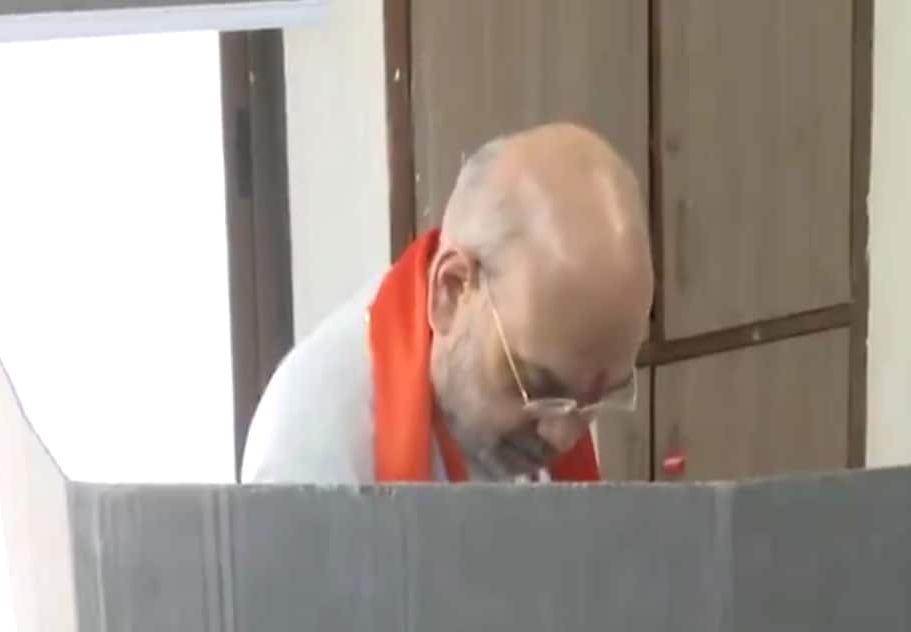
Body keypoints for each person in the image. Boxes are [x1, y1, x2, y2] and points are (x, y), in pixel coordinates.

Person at [240, 122, 653, 484]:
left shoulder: (565, 381)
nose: (563, 437)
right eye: (536, 386)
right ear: (451, 292)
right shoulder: (313, 447)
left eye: (595, 403)